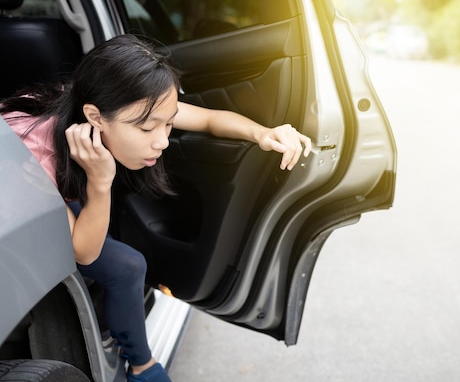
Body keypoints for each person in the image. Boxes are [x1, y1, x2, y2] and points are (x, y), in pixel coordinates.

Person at [0, 34, 311, 382]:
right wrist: (100, 182)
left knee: (124, 260)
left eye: (168, 122)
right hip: (16, 201)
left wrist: (263, 133)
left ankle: (138, 360)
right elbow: (84, 253)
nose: (163, 139)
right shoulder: (34, 159)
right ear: (95, 117)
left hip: (55, 182)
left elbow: (207, 120)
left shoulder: (107, 103)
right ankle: (143, 368)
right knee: (126, 265)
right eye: (148, 128)